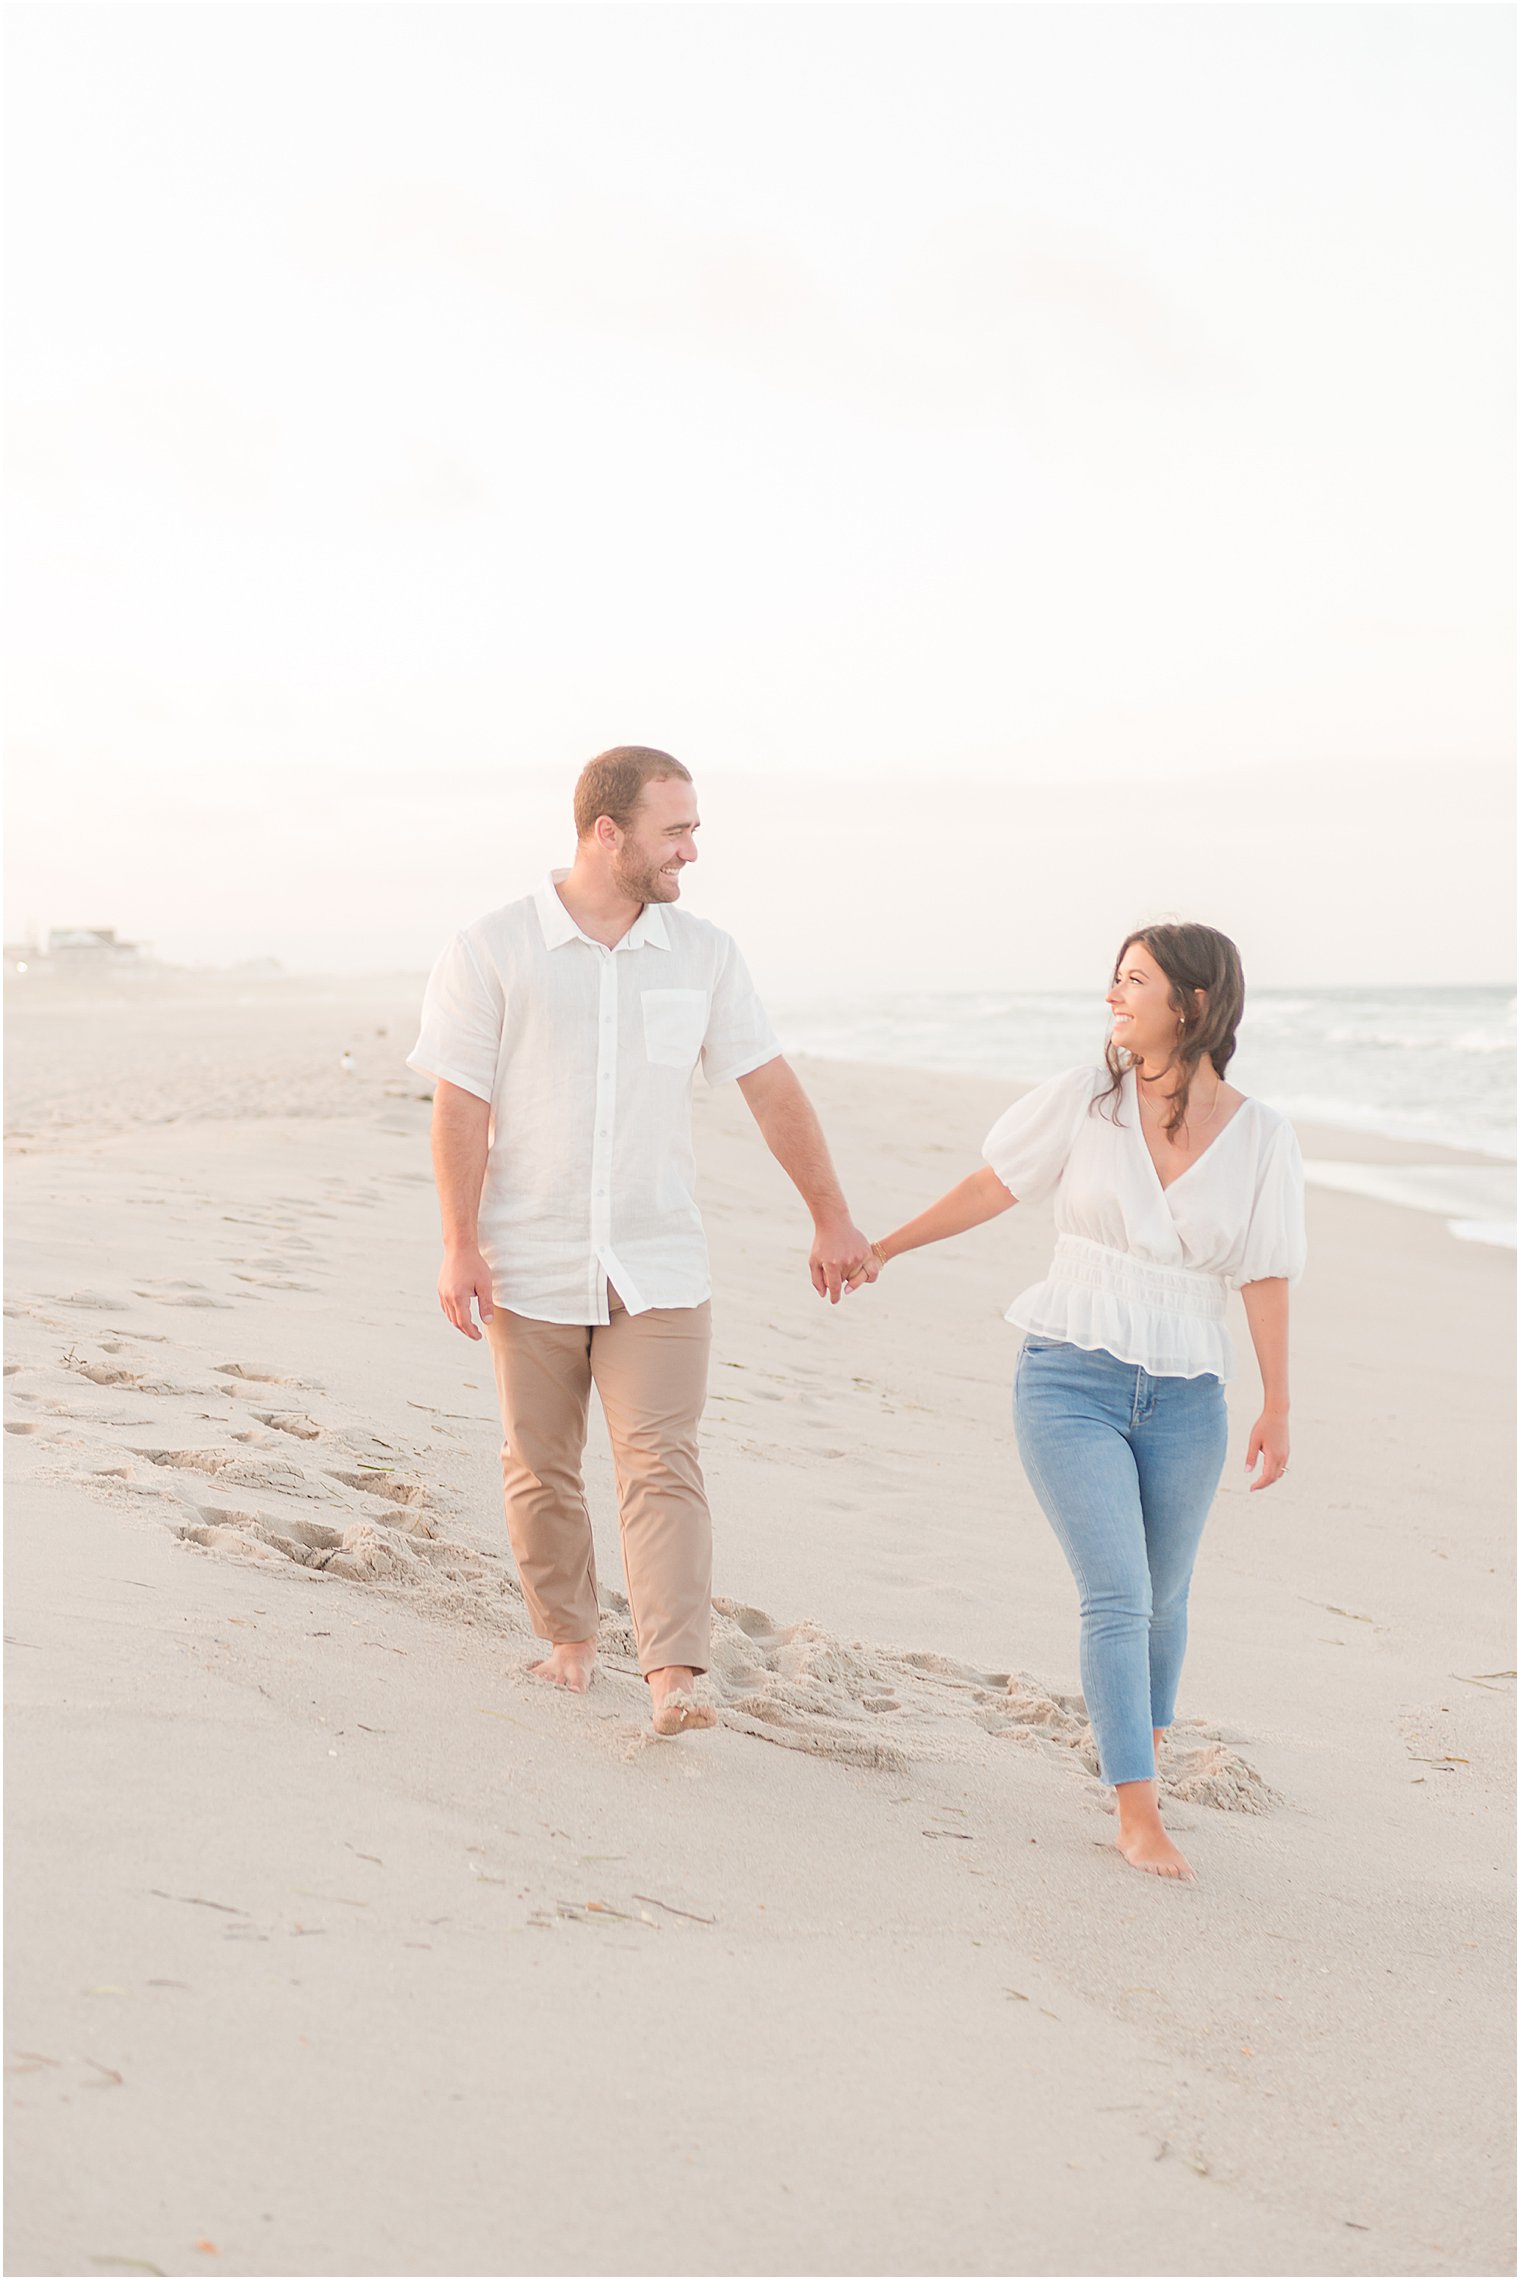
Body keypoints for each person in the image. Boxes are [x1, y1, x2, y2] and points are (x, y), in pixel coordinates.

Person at [407, 746, 876, 1737]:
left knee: (661, 1460)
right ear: (605, 831)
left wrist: (829, 1214)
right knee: (539, 1464)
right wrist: (458, 1242)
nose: (692, 851)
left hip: (658, 1258)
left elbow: (770, 1089)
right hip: (527, 1254)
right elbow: (459, 1109)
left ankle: (672, 1676)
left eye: (693, 829)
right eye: (676, 830)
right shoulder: (491, 948)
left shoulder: (704, 955)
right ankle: (569, 1645)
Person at [854, 923, 1305, 1879]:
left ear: (1190, 1004)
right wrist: (885, 1247)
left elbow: (1265, 1276)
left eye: (1133, 981)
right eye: (1114, 978)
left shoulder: (1264, 1137)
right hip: (1070, 1375)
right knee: (1120, 1593)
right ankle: (1136, 1813)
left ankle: (1140, 1749)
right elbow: (992, 1185)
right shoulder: (1086, 1099)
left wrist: (1279, 1404)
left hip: (1190, 1392)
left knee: (1167, 1600)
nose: (1112, 995)